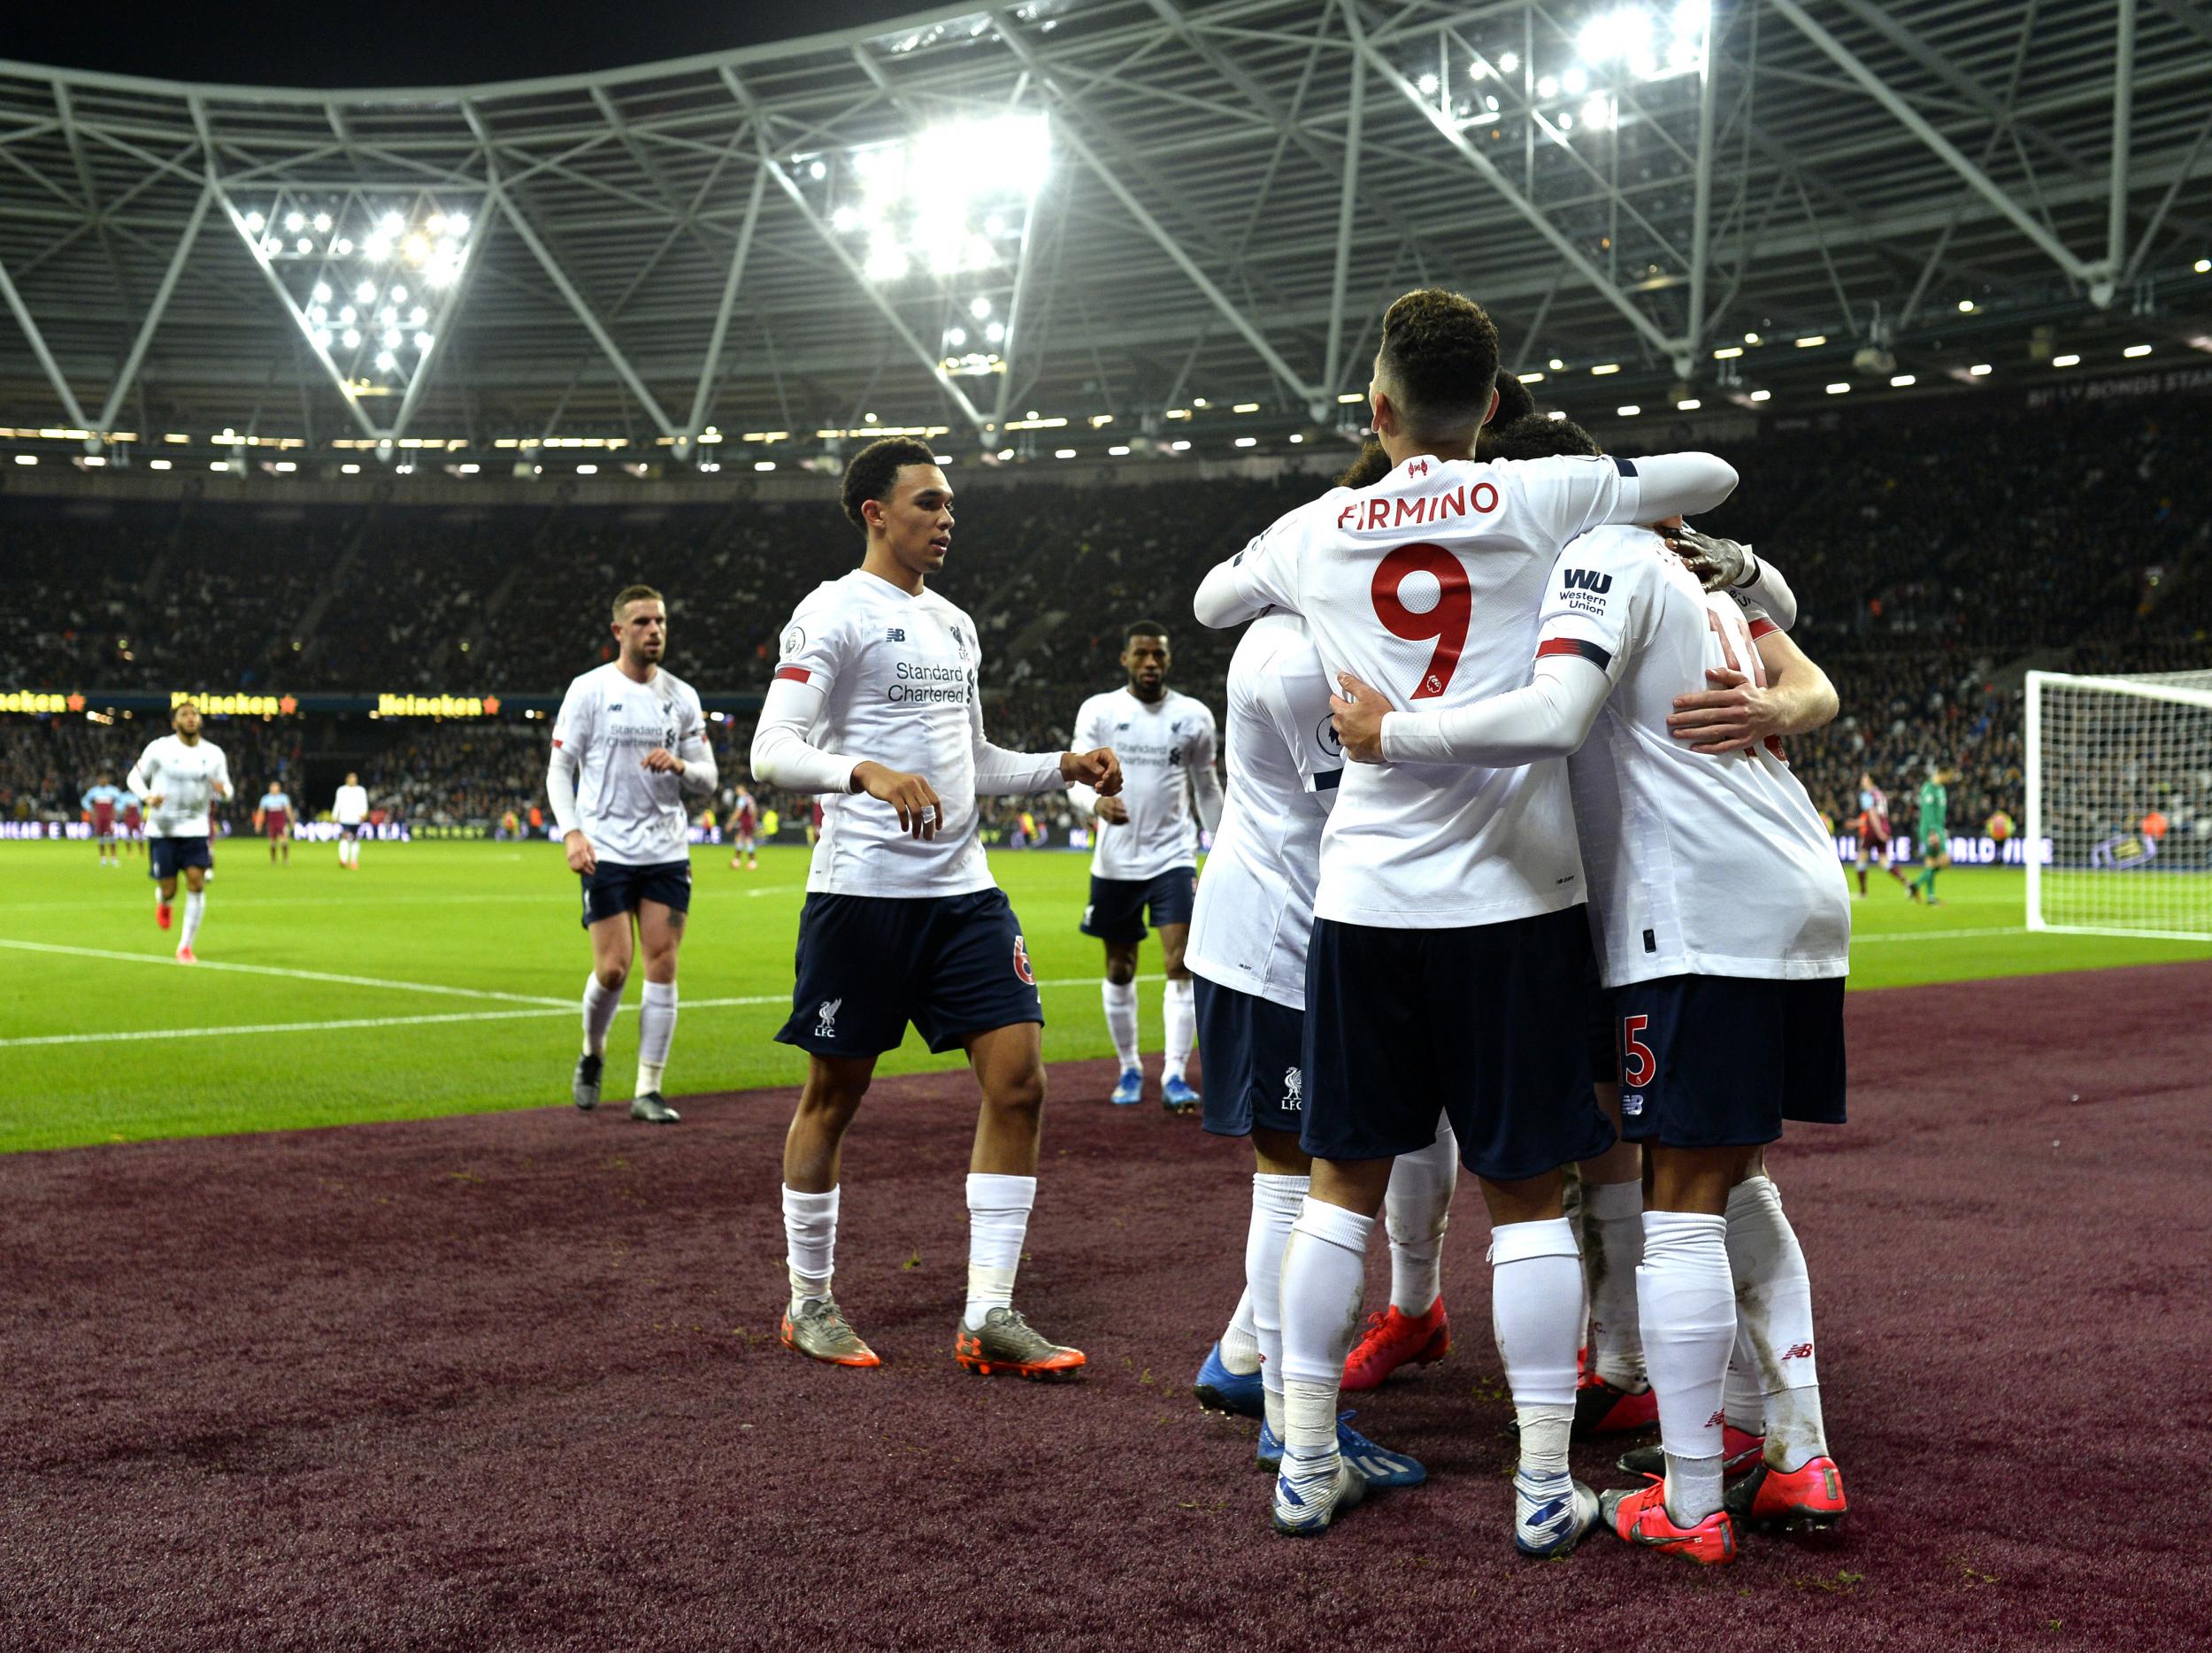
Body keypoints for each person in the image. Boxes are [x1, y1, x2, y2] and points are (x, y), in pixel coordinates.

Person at [1192, 287, 1740, 1544]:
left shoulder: (1318, 525)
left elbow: (1221, 598)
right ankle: (1546, 1486)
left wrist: (1323, 564)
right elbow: (1709, 472)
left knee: (1339, 1186)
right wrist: (1572, 482)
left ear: (1374, 408)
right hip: (1513, 903)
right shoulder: (1537, 491)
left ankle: (1309, 1459)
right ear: (1491, 406)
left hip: (1365, 903)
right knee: (1529, 1192)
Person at [1329, 443, 1850, 1565]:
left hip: (1694, 905)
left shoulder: (1601, 557)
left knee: (1680, 1202)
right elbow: (1812, 674)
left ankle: (1695, 1495)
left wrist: (1393, 734)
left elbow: (1558, 715)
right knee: (1738, 1173)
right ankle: (1791, 1447)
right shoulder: (1708, 578)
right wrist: (1765, 634)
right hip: (1790, 881)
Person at [752, 435, 1121, 1378]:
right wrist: (860, 770)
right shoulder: (831, 612)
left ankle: (989, 1311)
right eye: (927, 502)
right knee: (833, 1096)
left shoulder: (956, 624)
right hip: (859, 894)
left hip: (962, 894)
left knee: (1021, 1080)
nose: (946, 516)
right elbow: (771, 750)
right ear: (875, 512)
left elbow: (977, 761)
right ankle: (809, 1300)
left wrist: (1061, 766)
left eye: (950, 502)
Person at [1183, 607, 1428, 1499]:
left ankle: (1248, 1353)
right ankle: (1292, 1425)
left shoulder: (1306, 633)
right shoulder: (1298, 659)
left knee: (1307, 1170)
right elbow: (1361, 797)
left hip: (1287, 934)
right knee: (1293, 1179)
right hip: (1275, 944)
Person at [548, 584, 717, 1126]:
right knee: (615, 968)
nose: (654, 631)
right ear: (619, 631)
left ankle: (648, 1086)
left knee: (662, 964)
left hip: (666, 848)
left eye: (661, 622)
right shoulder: (589, 691)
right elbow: (559, 769)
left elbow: (710, 780)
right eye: (643, 622)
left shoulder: (682, 697)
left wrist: (683, 768)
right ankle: (593, 1052)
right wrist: (572, 833)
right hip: (607, 848)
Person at [1068, 623, 1224, 1111]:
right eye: (1142, 655)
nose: (1151, 663)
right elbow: (1073, 778)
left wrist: (1222, 845)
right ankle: (1130, 1066)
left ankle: (1174, 1074)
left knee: (1181, 963)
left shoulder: (1194, 717)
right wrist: (1093, 806)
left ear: (1168, 659)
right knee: (1120, 967)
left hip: (1173, 857)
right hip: (1115, 863)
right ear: (1125, 660)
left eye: (1158, 654)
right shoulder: (1100, 710)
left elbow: (1206, 788)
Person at [127, 701, 232, 964]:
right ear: (175, 722)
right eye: (184, 714)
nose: (190, 718)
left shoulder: (214, 754)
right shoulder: (160, 748)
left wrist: (224, 791)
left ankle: (185, 946)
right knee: (170, 888)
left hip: (196, 828)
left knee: (196, 881)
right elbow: (133, 777)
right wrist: (147, 797)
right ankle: (164, 902)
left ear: (200, 720)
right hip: (163, 828)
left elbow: (228, 789)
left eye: (194, 714)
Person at [1852, 773, 1909, 897]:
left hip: (1874, 828)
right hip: (1885, 826)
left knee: (1861, 859)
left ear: (1870, 780)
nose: (1862, 780)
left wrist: (1878, 832)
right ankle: (1907, 883)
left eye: (1865, 778)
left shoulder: (1867, 795)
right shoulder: (1880, 794)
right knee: (1884, 861)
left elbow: (1872, 814)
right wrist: (1883, 831)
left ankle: (1862, 893)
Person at [1909, 766, 1950, 903]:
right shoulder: (1928, 788)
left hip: (1939, 828)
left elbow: (1940, 812)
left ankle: (1928, 895)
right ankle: (1917, 886)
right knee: (1945, 861)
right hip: (1930, 830)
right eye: (1949, 775)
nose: (1950, 778)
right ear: (1941, 773)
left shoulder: (1941, 789)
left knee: (1931, 863)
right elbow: (1927, 813)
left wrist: (1941, 829)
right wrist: (1932, 832)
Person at [81, 773, 127, 867]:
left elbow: (122, 800)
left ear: (107, 780)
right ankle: (103, 859)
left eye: (104, 779)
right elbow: (84, 800)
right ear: (98, 780)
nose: (103, 781)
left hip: (109, 816)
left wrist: (117, 809)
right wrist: (90, 809)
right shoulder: (94, 791)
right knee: (100, 836)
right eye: (101, 779)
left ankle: (114, 858)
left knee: (112, 836)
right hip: (99, 816)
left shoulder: (113, 790)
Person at [334, 773, 369, 870]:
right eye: (351, 778)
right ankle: (343, 859)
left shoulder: (361, 790)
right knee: (344, 836)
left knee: (355, 838)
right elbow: (338, 803)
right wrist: (335, 815)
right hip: (345, 817)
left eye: (354, 778)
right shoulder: (341, 790)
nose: (353, 780)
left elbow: (364, 802)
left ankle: (354, 861)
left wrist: (364, 813)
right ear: (347, 779)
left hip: (356, 818)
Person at [256, 781, 293, 865]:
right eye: (273, 787)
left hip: (281, 821)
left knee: (284, 840)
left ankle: (285, 859)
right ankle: (273, 860)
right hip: (271, 821)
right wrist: (258, 824)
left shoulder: (284, 798)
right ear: (270, 788)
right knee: (272, 842)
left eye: (276, 787)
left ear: (279, 788)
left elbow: (288, 810)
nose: (274, 789)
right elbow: (261, 812)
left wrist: (292, 821)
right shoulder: (265, 798)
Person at [729, 784, 759, 870]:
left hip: (745, 821)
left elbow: (738, 812)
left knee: (747, 840)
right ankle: (737, 861)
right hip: (749, 822)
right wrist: (753, 822)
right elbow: (755, 811)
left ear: (743, 790)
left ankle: (752, 862)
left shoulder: (742, 799)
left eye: (738, 790)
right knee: (740, 839)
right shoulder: (750, 798)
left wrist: (731, 822)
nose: (737, 792)